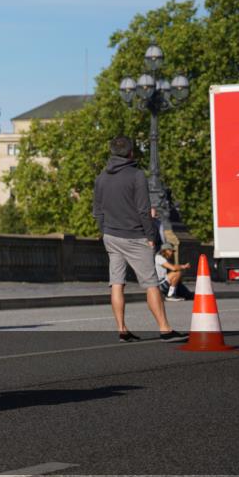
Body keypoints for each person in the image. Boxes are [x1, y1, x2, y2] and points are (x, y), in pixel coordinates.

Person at [92, 136, 186, 343]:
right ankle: (165, 328)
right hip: (135, 236)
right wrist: (150, 236)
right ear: (130, 153)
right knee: (151, 283)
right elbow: (144, 210)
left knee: (116, 283)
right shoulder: (136, 175)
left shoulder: (101, 178)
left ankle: (122, 329)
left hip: (111, 236)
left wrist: (105, 231)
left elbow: (97, 212)